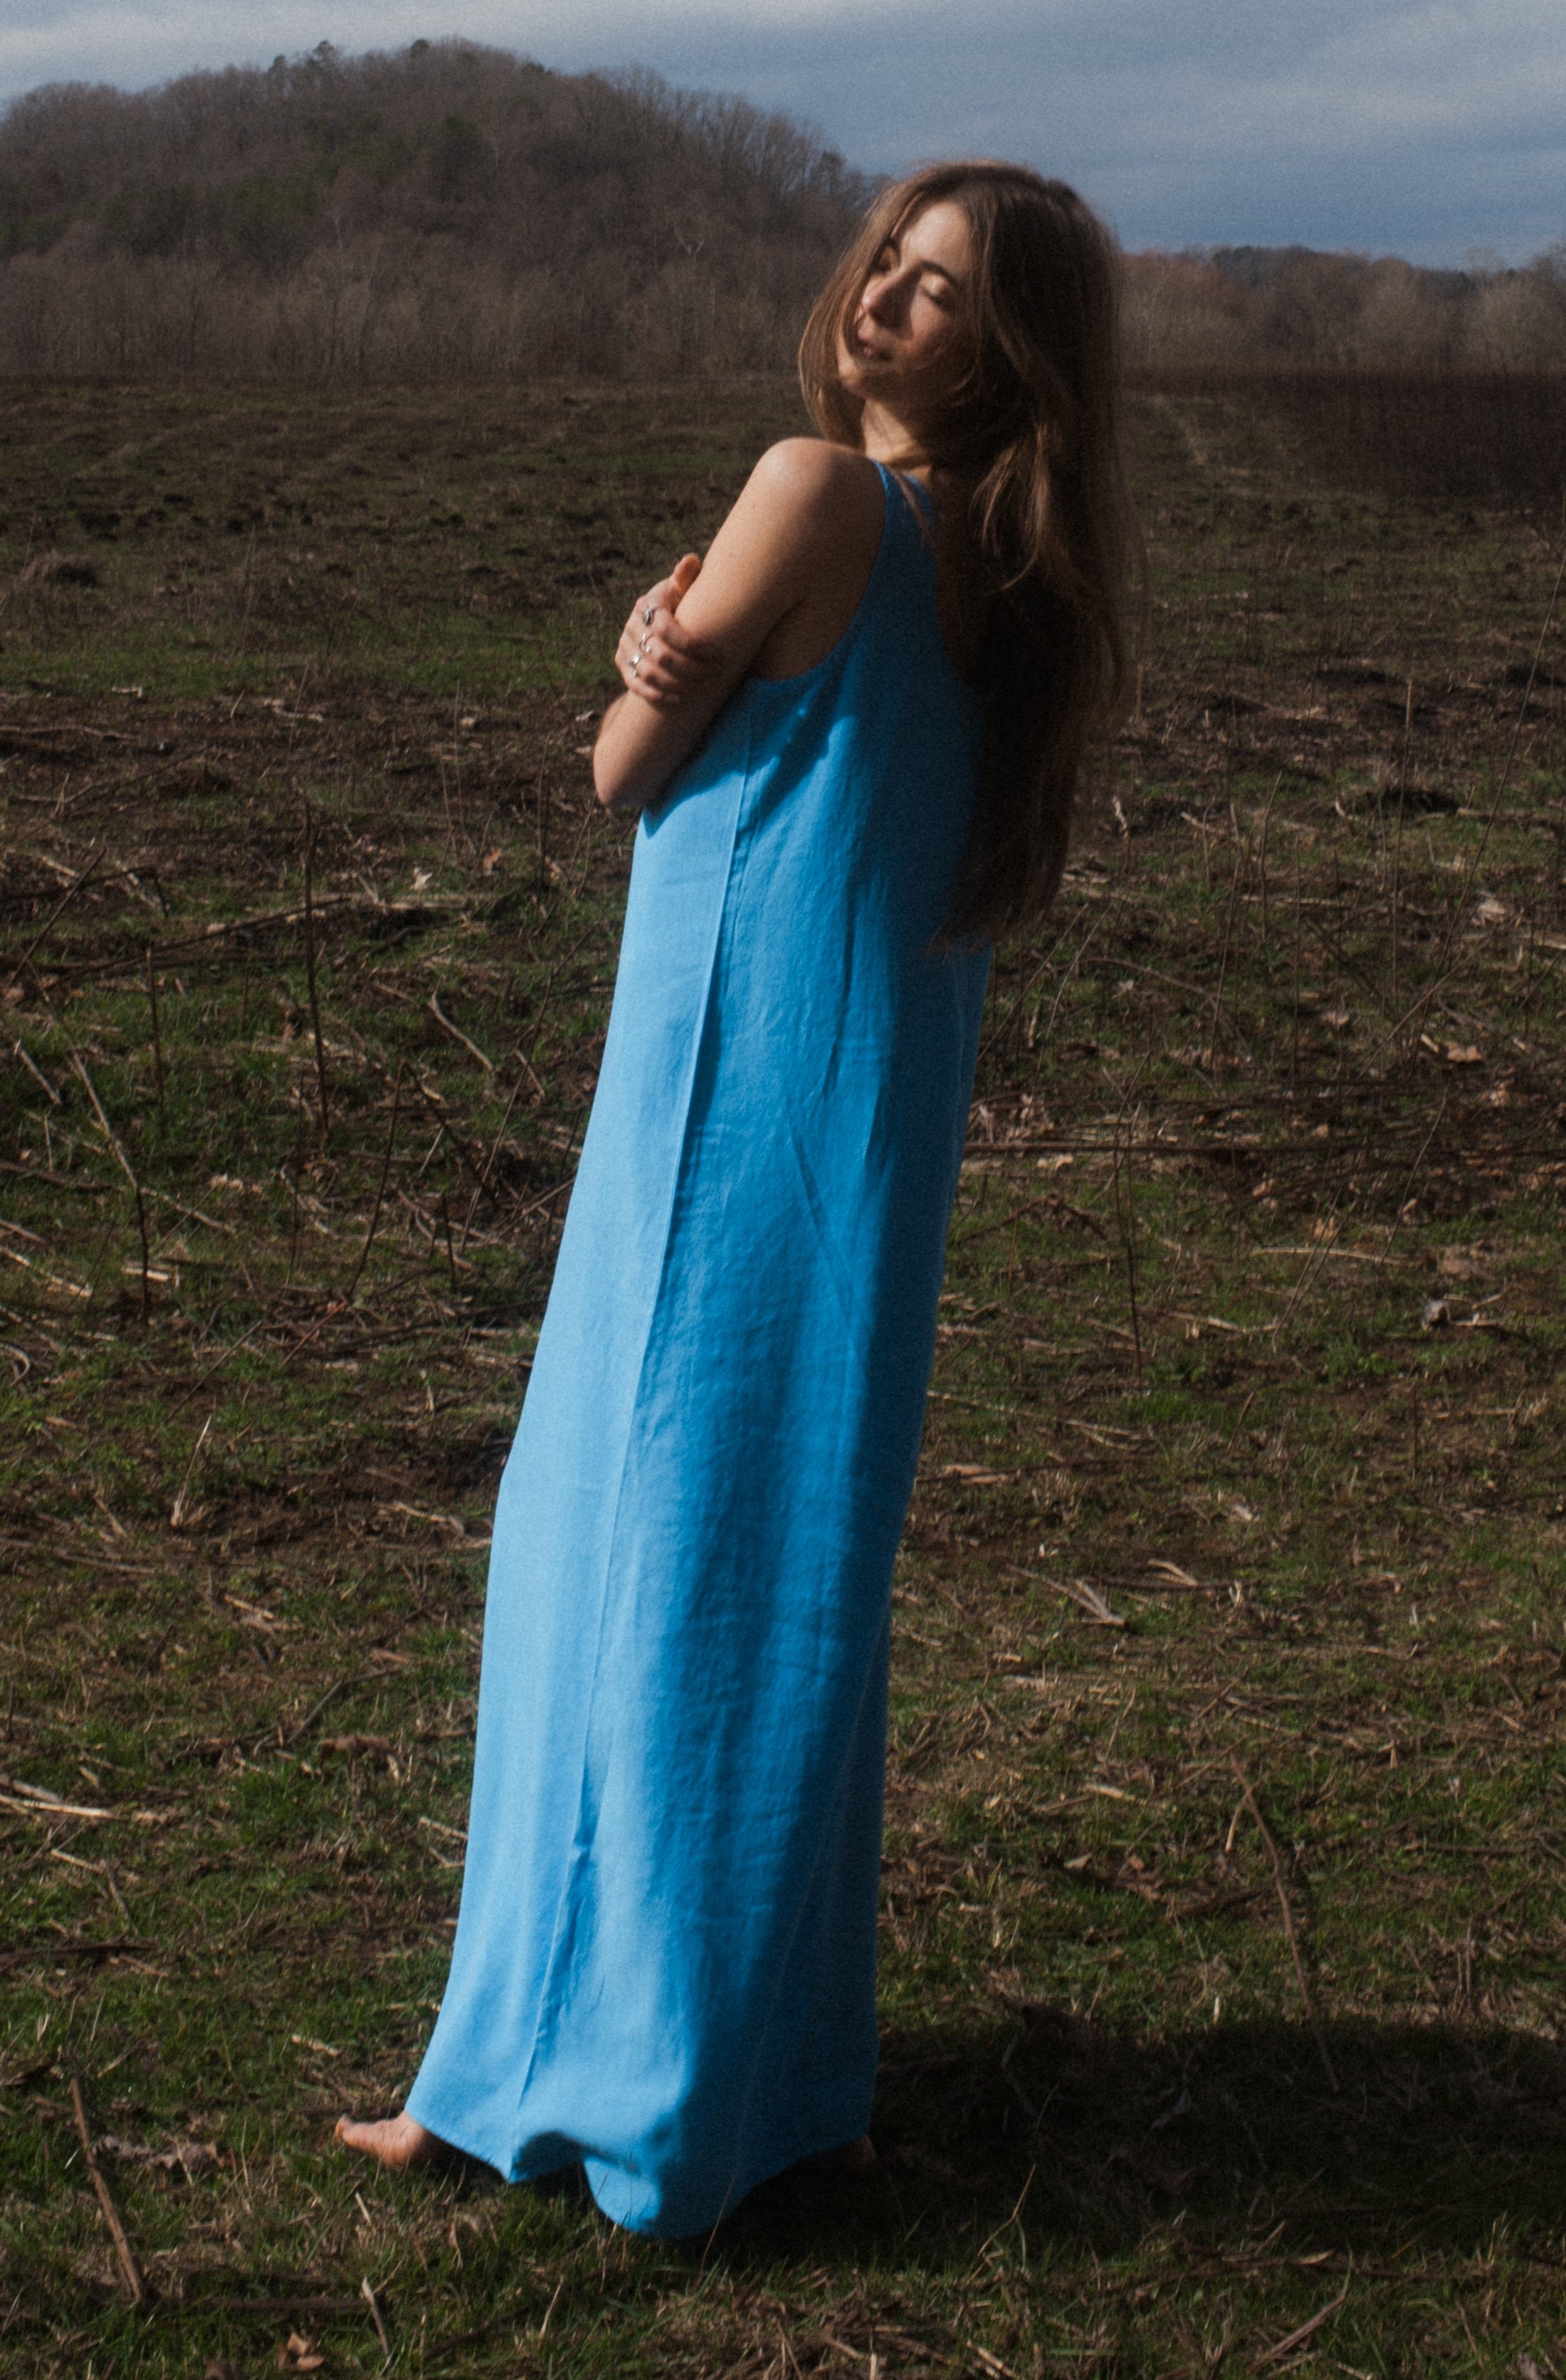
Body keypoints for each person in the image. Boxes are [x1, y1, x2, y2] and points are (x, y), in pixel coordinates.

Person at [337, 160, 1135, 2236]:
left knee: (616, 1553)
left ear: (1004, 347)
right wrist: (675, 660)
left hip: (712, 1110)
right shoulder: (1015, 587)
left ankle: (552, 2078)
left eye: (942, 290)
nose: (884, 295)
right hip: (860, 1137)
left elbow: (621, 778)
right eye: (891, 254)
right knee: (783, 1574)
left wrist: (647, 668)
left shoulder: (814, 493)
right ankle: (791, 2075)